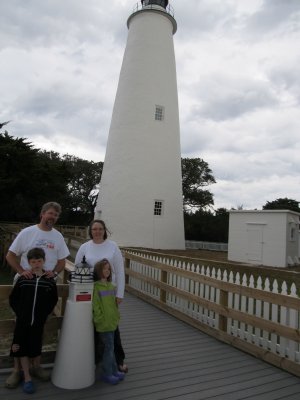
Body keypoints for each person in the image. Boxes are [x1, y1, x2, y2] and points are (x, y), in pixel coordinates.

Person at [5, 201, 70, 389]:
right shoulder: (27, 233)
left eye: (56, 215)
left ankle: (37, 366)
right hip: (25, 287)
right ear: (42, 214)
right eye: (50, 213)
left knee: (39, 326)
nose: (53, 217)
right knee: (20, 328)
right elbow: (10, 255)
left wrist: (55, 273)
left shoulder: (58, 237)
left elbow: (62, 261)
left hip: (44, 288)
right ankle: (17, 370)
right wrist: (21, 270)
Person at [75, 219, 127, 372]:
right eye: (94, 229)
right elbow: (77, 269)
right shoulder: (84, 247)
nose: (97, 231)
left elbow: (119, 271)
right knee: (94, 326)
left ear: (105, 230)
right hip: (90, 293)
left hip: (109, 294)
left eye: (100, 229)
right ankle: (96, 359)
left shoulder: (113, 247)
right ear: (90, 231)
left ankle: (118, 360)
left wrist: (120, 294)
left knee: (112, 328)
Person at [8, 247, 58, 394]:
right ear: (29, 262)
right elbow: (13, 298)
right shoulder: (24, 279)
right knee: (21, 348)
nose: (36, 264)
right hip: (22, 322)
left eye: (39, 261)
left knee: (35, 347)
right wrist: (20, 313)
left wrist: (44, 314)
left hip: (38, 322)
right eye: (33, 261)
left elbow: (53, 300)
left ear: (44, 261)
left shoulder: (49, 281)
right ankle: (27, 377)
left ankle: (35, 368)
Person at [93, 259, 125, 385]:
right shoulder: (96, 287)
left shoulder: (111, 286)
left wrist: (116, 316)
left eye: (108, 269)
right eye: (104, 269)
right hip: (104, 324)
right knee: (108, 348)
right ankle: (107, 374)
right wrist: (100, 320)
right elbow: (96, 306)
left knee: (111, 348)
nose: (107, 271)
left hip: (112, 322)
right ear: (98, 271)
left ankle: (113, 370)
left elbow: (113, 305)